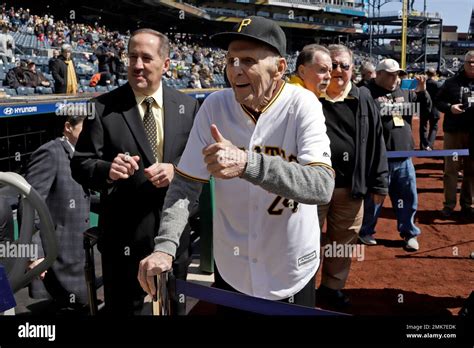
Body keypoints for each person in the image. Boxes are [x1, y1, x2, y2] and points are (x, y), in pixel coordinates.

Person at [138, 16, 334, 310]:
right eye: (231, 60)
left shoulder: (303, 105)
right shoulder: (215, 105)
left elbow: (321, 186)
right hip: (233, 267)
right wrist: (165, 247)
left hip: (290, 268)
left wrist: (247, 163)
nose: (235, 70)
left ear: (279, 68)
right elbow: (186, 186)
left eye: (248, 60)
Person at [71, 28, 200, 315]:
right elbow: (80, 165)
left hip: (174, 236)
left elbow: (199, 162)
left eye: (146, 57)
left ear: (166, 64)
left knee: (174, 309)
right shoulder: (102, 108)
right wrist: (108, 169)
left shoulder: (188, 106)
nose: (137, 65)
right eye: (132, 57)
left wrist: (175, 169)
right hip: (122, 239)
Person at [291, 44, 388, 307]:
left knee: (343, 242)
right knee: (305, 239)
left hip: (349, 188)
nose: (338, 71)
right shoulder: (306, 95)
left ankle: (332, 287)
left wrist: (379, 182)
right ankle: (303, 288)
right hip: (311, 187)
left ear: (352, 69)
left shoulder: (362, 97)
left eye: (345, 65)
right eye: (332, 65)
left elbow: (376, 142)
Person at [359, 59, 432, 251]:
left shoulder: (405, 91)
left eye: (397, 74)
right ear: (379, 74)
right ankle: (366, 231)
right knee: (375, 197)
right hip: (379, 158)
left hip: (404, 157)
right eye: (390, 74)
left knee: (408, 198)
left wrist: (423, 91)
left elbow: (426, 111)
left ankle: (409, 233)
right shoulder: (366, 93)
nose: (395, 78)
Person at [25, 115, 90, 313]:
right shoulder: (49, 153)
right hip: (57, 258)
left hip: (79, 255)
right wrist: (34, 256)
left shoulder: (81, 155)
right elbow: (30, 204)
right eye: (85, 128)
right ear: (68, 127)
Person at [436, 51, 474, 219]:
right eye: (469, 62)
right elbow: (438, 101)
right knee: (451, 169)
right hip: (454, 131)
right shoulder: (451, 82)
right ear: (464, 63)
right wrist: (450, 108)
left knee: (471, 170)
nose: (472, 65)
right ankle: (449, 205)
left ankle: (468, 204)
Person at [419, 68, 440, 151]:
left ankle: (423, 145)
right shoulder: (438, 84)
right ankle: (429, 145)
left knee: (423, 126)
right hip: (434, 108)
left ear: (426, 73)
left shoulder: (422, 84)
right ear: (435, 74)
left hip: (423, 108)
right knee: (434, 127)